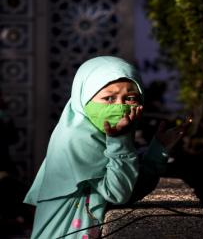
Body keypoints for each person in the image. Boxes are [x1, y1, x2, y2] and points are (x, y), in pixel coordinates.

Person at [24, 56, 186, 239]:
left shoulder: (104, 137)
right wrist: (119, 140)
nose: (120, 107)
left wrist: (159, 150)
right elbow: (118, 194)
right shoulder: (75, 141)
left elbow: (133, 189)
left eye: (130, 98)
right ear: (84, 98)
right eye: (109, 98)